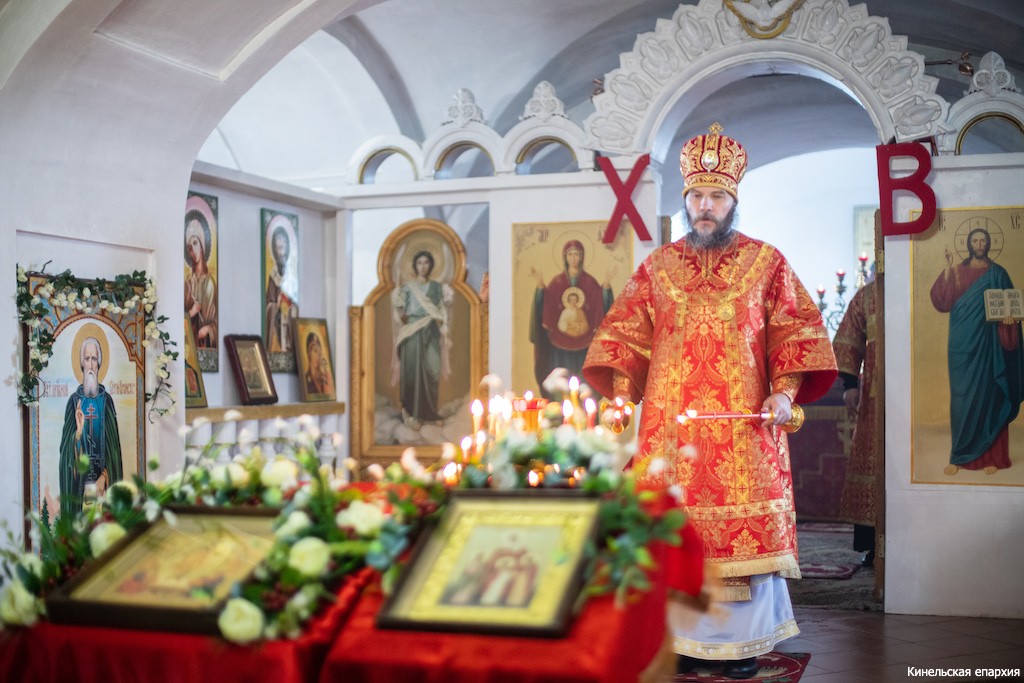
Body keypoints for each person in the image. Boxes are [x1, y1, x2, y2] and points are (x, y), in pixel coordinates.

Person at [583, 123, 837, 679]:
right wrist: (621, 395)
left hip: (742, 430)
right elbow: (626, 336)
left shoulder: (766, 263)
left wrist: (783, 392)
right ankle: (676, 640)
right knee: (672, 534)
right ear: (686, 199)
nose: (704, 206)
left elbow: (795, 333)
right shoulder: (657, 267)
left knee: (738, 541)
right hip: (669, 435)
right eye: (696, 195)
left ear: (733, 201)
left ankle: (742, 645)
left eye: (716, 196)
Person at [930, 228, 1024, 475]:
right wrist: (948, 268)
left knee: (991, 395)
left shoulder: (998, 273)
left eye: (983, 240)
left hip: (990, 344)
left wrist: (1009, 322)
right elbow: (943, 302)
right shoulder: (957, 271)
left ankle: (993, 457)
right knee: (962, 400)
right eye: (975, 240)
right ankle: (960, 456)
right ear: (969, 244)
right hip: (962, 343)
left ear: (989, 243)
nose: (980, 244)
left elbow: (1011, 307)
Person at [832, 277, 880, 566]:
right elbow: (848, 340)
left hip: (916, 396)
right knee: (873, 463)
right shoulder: (868, 295)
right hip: (875, 398)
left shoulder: (918, 290)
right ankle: (873, 546)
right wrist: (850, 384)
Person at [530, 240, 614, 399]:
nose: (573, 258)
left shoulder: (589, 282)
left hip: (585, 345)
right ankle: (560, 406)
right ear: (565, 257)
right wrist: (540, 286)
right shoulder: (557, 282)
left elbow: (599, 302)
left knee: (585, 382)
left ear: (582, 257)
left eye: (577, 254)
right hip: (560, 345)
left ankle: (586, 406)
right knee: (561, 379)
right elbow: (548, 304)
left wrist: (606, 287)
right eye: (570, 254)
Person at [58, 334, 124, 519]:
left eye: (94, 359)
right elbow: (65, 457)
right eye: (86, 358)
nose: (90, 364)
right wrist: (78, 433)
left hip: (103, 487)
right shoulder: (73, 402)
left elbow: (114, 452)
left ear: (99, 363)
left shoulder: (107, 402)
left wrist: (105, 476)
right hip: (80, 489)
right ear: (81, 363)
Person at [391, 250, 451, 426]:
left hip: (431, 331)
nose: (423, 266)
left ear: (431, 265)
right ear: (414, 266)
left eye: (426, 263)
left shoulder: (437, 288)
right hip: (412, 333)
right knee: (412, 372)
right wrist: (399, 305)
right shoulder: (407, 288)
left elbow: (442, 312)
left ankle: (429, 413)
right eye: (419, 263)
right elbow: (400, 313)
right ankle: (411, 413)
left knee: (432, 371)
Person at [184, 213, 218, 349]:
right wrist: (191, 313)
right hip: (190, 346)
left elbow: (217, 320)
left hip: (205, 345)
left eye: (195, 243)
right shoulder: (187, 283)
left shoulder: (210, 283)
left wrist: (208, 329)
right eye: (189, 248)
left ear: (202, 245)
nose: (193, 250)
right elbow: (176, 317)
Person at [265, 226, 299, 354]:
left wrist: (291, 306)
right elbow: (269, 304)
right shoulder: (273, 276)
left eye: (283, 248)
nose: (281, 254)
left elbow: (294, 300)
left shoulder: (291, 277)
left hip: (288, 317)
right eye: (278, 249)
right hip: (276, 321)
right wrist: (276, 305)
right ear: (275, 251)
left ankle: (290, 346)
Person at [303, 331, 334, 396]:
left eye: (319, 352)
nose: (318, 356)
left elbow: (329, 396)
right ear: (309, 353)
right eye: (315, 351)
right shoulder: (305, 380)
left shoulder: (324, 377)